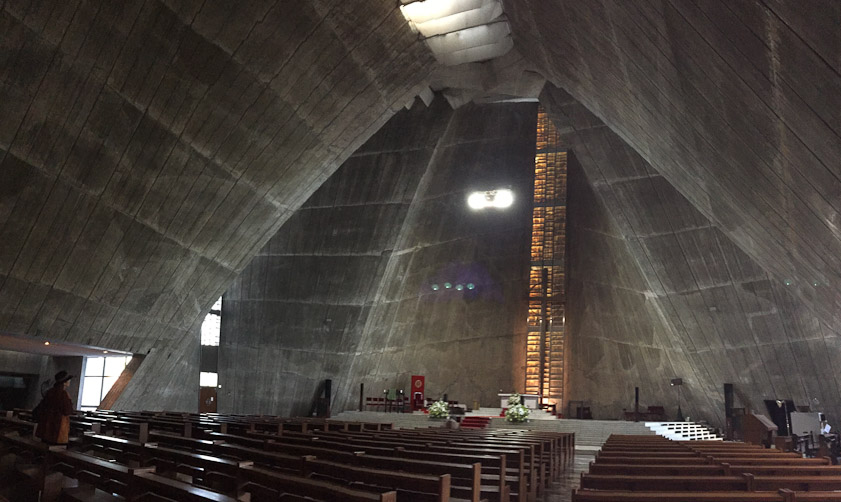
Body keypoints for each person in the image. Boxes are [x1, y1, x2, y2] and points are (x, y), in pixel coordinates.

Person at [35, 370, 74, 445]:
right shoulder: (63, 394)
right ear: (64, 382)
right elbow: (67, 411)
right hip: (57, 427)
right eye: (69, 380)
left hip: (46, 425)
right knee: (56, 449)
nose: (70, 381)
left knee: (45, 445)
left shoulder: (50, 391)